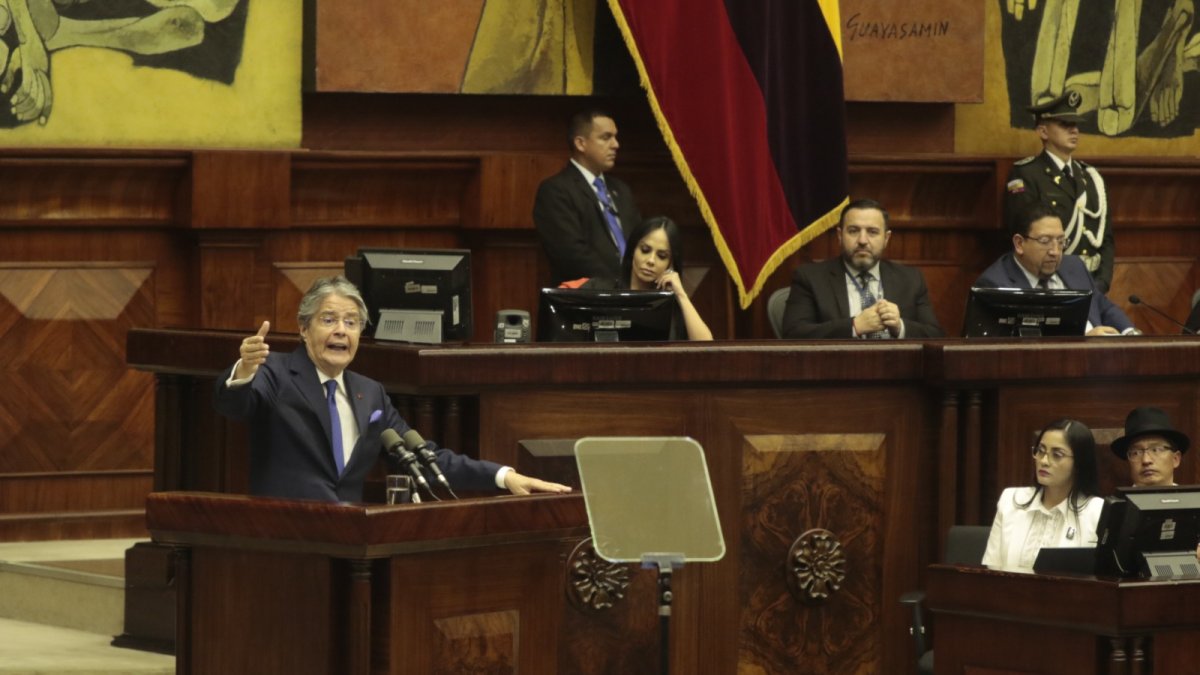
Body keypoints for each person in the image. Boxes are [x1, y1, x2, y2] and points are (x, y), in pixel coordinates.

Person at [214, 276, 572, 502]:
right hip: (286, 540)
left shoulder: (370, 393)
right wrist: (245, 369)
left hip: (350, 544)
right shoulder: (274, 372)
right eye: (329, 320)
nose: (341, 330)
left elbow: (422, 456)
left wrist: (503, 476)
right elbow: (235, 405)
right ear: (304, 329)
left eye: (351, 322)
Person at [780, 198, 944, 339]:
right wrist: (854, 326)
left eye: (872, 232)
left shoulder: (910, 279)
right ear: (839, 235)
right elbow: (793, 333)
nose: (863, 240)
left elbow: (935, 335)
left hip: (896, 370)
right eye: (853, 231)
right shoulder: (810, 278)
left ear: (886, 238)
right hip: (836, 371)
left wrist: (900, 327)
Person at [1003, 92, 1114, 293]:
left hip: (1093, 283)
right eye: (1065, 124)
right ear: (1043, 131)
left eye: (1076, 125)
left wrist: (1102, 283)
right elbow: (1023, 235)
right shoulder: (1027, 174)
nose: (1074, 130)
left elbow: (1105, 239)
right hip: (1052, 283)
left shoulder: (1091, 178)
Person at [975, 204, 1134, 335]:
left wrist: (1130, 332)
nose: (1055, 251)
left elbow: (1103, 306)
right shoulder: (996, 284)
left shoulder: (1074, 266)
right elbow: (1018, 346)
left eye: (1060, 241)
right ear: (1019, 243)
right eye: (1045, 241)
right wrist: (1083, 341)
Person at [533, 109, 643, 285]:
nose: (616, 144)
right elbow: (571, 254)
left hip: (632, 295)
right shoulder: (556, 191)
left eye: (615, 137)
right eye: (606, 137)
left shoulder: (621, 190)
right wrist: (617, 286)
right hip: (586, 298)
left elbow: (640, 240)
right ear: (581, 144)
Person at [982, 418, 1104, 573]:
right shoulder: (1010, 500)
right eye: (1040, 451)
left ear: (1079, 462)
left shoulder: (1097, 511)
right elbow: (993, 570)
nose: (1044, 461)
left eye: (1057, 454)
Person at [563, 216, 713, 341]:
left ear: (670, 264)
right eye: (645, 250)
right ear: (633, 251)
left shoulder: (674, 306)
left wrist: (681, 295)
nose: (651, 260)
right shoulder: (598, 290)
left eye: (662, 256)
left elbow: (706, 346)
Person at [1110, 406, 1190, 487]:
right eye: (1136, 453)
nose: (1146, 460)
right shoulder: (1118, 500)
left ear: (1175, 459)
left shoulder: (1193, 499)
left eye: (1156, 450)